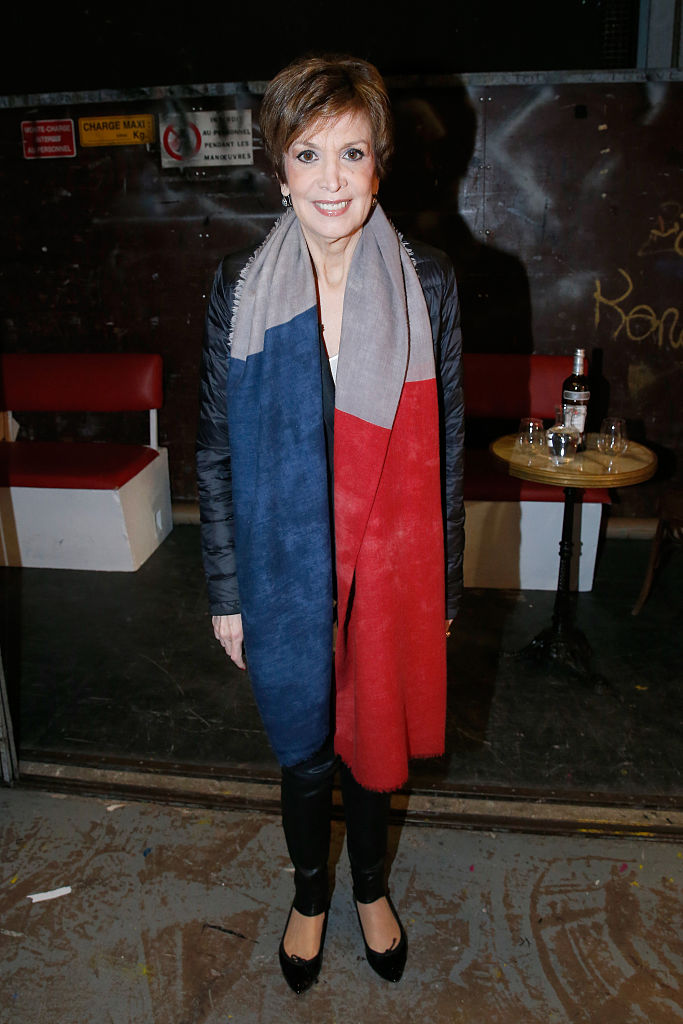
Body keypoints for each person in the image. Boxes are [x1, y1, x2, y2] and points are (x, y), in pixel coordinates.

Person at [196, 53, 464, 994]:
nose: (331, 180)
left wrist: (446, 591)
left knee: (375, 748)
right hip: (283, 568)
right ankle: (312, 895)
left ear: (379, 165)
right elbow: (217, 452)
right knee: (306, 751)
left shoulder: (425, 283)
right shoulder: (238, 285)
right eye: (308, 154)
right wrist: (228, 594)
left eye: (352, 154)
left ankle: (370, 888)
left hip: (392, 566)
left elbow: (450, 450)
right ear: (279, 168)